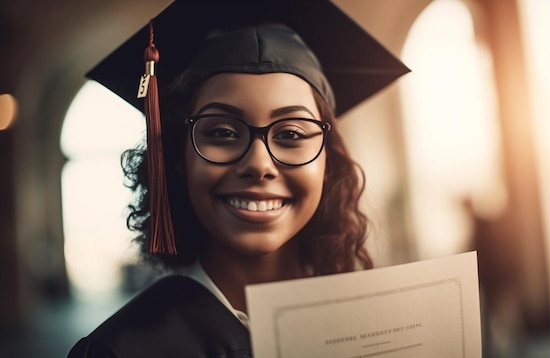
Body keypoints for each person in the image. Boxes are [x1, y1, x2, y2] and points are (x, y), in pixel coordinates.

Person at [68, 0, 408, 357]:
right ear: (177, 158)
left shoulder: (383, 326)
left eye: (291, 134)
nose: (259, 164)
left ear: (329, 162)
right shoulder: (124, 349)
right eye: (223, 133)